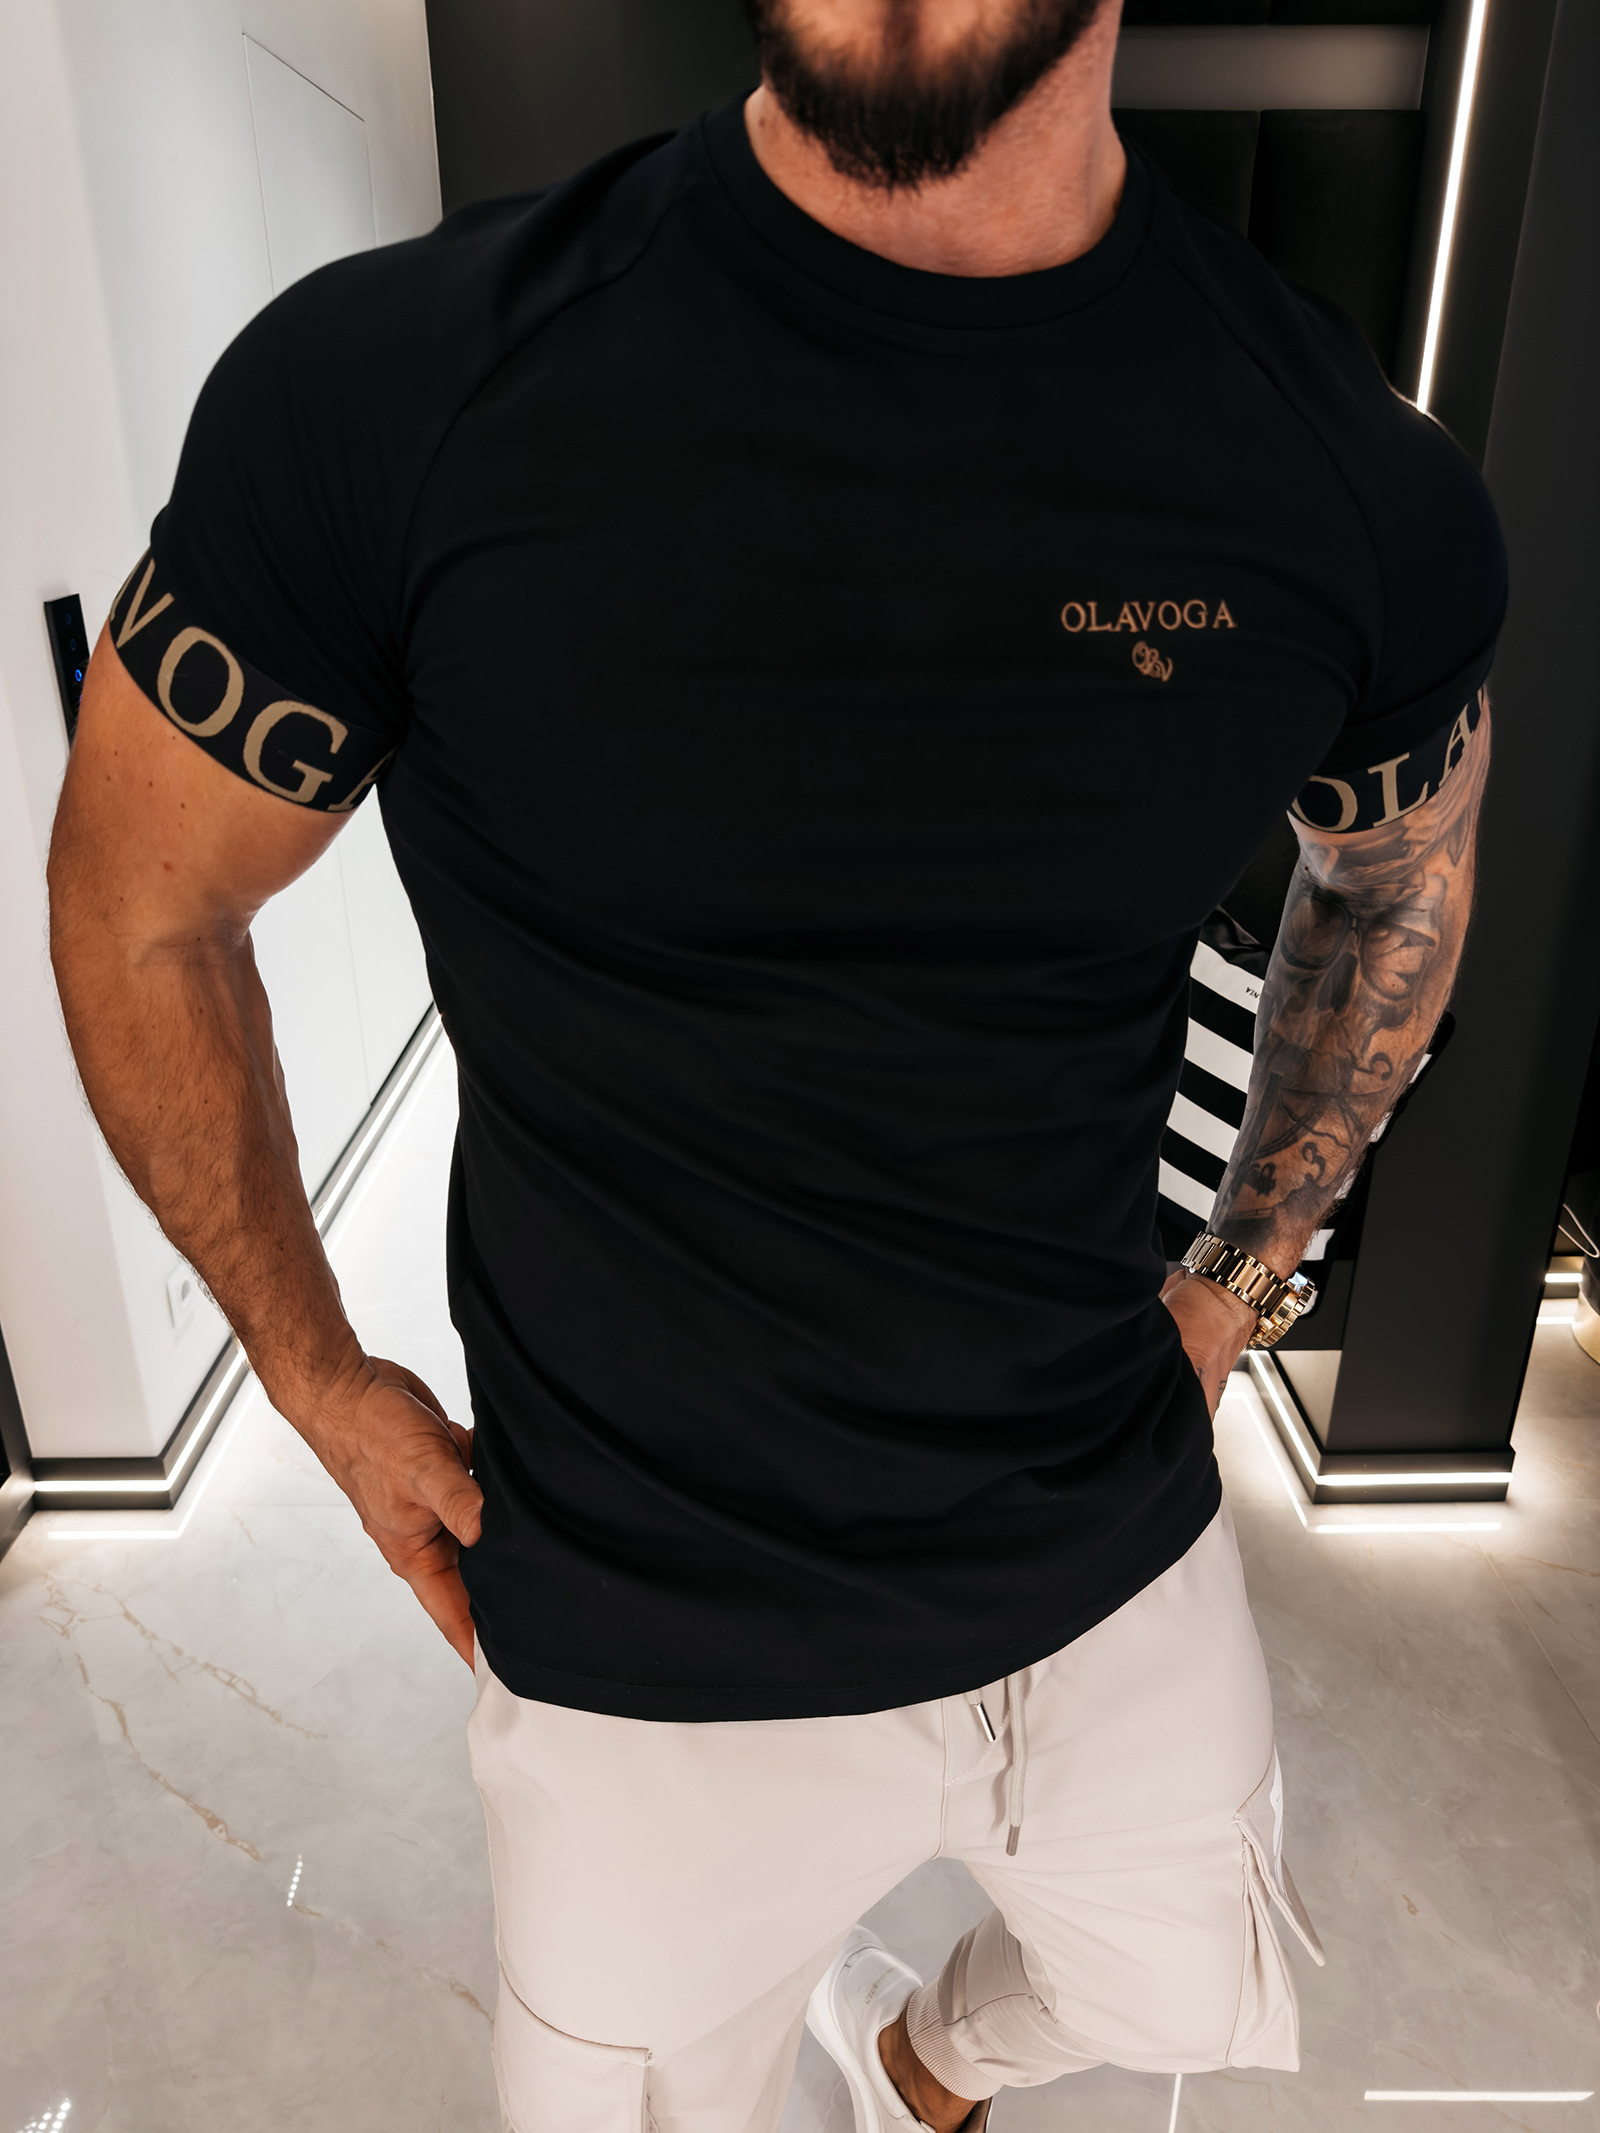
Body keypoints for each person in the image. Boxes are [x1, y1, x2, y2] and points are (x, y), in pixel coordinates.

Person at [47, 0, 1503, 2124]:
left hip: (1098, 1532)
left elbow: (1389, 897)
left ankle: (914, 2060)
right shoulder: (391, 386)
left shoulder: (1344, 475)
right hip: (646, 1626)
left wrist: (1234, 1278)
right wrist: (315, 1376)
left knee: (1184, 1986)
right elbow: (140, 901)